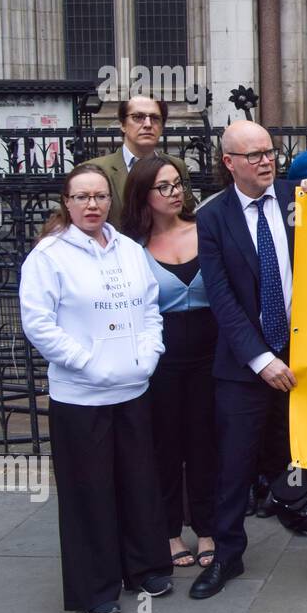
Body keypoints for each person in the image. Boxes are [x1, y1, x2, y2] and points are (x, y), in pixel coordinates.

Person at [189, 120, 307, 599]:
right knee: (234, 463)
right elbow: (221, 299)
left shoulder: (300, 199)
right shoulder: (213, 217)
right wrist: (261, 359)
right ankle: (227, 555)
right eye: (254, 155)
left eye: (270, 152)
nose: (266, 161)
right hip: (245, 365)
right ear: (229, 163)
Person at [19, 164, 172, 613]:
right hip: (81, 397)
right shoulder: (49, 256)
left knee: (140, 484)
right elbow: (38, 323)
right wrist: (87, 362)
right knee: (90, 494)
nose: (92, 205)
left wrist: (149, 355)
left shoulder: (128, 249)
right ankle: (97, 586)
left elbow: (149, 308)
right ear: (66, 203)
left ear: (112, 201)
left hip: (133, 388)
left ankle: (145, 567)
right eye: (82, 197)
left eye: (100, 197)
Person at [121, 154, 218, 570]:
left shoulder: (206, 229)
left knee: (205, 443)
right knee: (164, 446)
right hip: (161, 358)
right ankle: (170, 531)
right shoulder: (129, 248)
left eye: (178, 183)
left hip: (211, 352)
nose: (175, 192)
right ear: (143, 195)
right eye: (164, 186)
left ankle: (209, 526)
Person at [86, 94, 195, 227]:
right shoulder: (96, 170)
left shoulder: (176, 166)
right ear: (123, 124)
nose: (148, 124)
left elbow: (185, 214)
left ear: (162, 126)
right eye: (138, 117)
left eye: (155, 118)